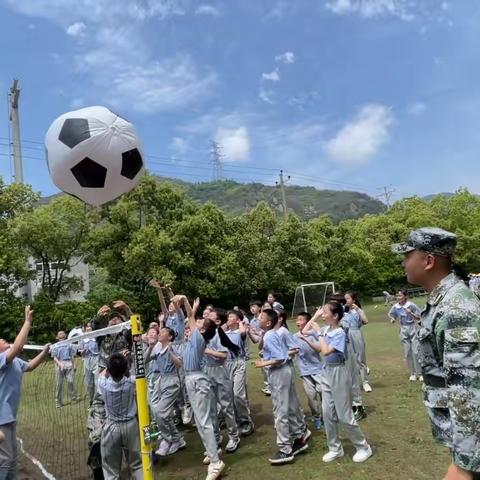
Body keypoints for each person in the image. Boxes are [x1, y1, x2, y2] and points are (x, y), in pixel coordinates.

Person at [392, 227, 480, 480]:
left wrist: (465, 465)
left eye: (408, 255)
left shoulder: (456, 308)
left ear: (428, 261)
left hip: (470, 446)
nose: (403, 263)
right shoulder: (444, 301)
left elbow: (468, 392)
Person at [299, 301, 372, 464]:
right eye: (322, 312)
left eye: (325, 312)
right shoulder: (325, 330)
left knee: (344, 415)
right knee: (327, 414)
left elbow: (325, 351)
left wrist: (319, 334)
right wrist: (315, 316)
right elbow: (304, 331)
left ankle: (363, 447)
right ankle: (335, 448)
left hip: (338, 372)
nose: (322, 315)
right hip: (326, 372)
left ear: (335, 315)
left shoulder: (339, 333)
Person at [171, 295, 226, 480]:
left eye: (200, 321)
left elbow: (190, 317)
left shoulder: (199, 338)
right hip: (191, 380)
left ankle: (216, 461)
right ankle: (212, 454)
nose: (196, 321)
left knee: (204, 422)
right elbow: (181, 363)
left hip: (197, 381)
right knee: (202, 421)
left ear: (202, 329)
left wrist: (186, 301)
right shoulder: (191, 341)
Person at [0, 306, 50, 479]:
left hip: (10, 416)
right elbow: (19, 345)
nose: (4, 340)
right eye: (1, 340)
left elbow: (30, 366)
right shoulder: (1, 359)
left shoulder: (15, 362)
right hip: (1, 418)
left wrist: (44, 352)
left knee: (12, 459)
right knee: (4, 460)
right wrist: (27, 322)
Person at [255, 309, 309, 465]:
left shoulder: (270, 335)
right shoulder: (271, 334)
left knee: (280, 411)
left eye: (261, 317)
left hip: (279, 372)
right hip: (285, 371)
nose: (258, 318)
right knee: (291, 405)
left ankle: (285, 449)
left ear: (268, 323)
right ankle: (299, 439)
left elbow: (279, 358)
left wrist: (263, 363)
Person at [97, 353, 142, 480]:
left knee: (111, 468)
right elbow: (129, 375)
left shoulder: (103, 383)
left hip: (111, 427)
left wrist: (113, 365)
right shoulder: (132, 382)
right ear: (126, 369)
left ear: (109, 371)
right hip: (131, 426)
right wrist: (124, 365)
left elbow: (103, 374)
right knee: (137, 464)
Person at [203, 308, 241, 454]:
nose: (206, 316)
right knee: (211, 408)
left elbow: (223, 355)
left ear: (217, 322)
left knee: (226, 406)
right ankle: (215, 437)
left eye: (210, 316)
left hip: (219, 371)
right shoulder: (204, 334)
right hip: (207, 372)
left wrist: (207, 351)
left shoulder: (218, 334)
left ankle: (233, 436)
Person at [145, 327, 185, 457]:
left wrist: (170, 352)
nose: (159, 334)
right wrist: (150, 347)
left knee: (160, 412)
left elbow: (179, 364)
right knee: (158, 412)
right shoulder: (157, 348)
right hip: (161, 380)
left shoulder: (171, 347)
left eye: (162, 332)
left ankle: (167, 440)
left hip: (171, 380)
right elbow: (145, 360)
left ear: (169, 337)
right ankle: (177, 439)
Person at [224, 310, 255, 436]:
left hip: (238, 362)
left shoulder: (240, 332)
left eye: (231, 317)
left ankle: (246, 421)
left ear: (237, 320)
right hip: (227, 364)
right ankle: (237, 420)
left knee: (238, 394)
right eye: (228, 317)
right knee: (230, 395)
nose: (228, 318)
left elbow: (242, 332)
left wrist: (241, 322)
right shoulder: (224, 333)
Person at [294, 312, 324, 430]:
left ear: (307, 322)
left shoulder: (315, 334)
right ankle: (317, 417)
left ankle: (328, 416)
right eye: (297, 320)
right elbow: (292, 351)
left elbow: (319, 349)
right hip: (304, 371)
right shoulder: (294, 336)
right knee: (311, 397)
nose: (297, 322)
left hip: (318, 369)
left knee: (323, 393)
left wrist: (306, 340)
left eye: (301, 320)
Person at [388, 290, 423, 381]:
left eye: (400, 295)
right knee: (407, 352)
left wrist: (410, 313)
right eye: (397, 296)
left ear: (405, 296)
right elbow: (392, 315)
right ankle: (412, 373)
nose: (398, 297)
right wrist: (392, 319)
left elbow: (419, 317)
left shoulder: (411, 305)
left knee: (415, 351)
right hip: (403, 329)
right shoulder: (396, 307)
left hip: (413, 328)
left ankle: (420, 373)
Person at [344, 292, 372, 393]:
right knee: (349, 361)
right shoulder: (343, 311)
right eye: (345, 299)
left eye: (347, 298)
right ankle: (352, 383)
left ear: (353, 300)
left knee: (360, 359)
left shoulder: (357, 311)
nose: (346, 301)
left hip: (356, 334)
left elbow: (366, 320)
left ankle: (365, 382)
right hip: (345, 337)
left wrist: (357, 309)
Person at [51, 330, 78, 408]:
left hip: (68, 364)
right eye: (59, 333)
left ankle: (73, 399)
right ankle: (58, 402)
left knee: (71, 382)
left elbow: (72, 356)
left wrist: (74, 365)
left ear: (65, 335)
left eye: (62, 333)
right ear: (57, 336)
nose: (61, 333)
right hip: (59, 365)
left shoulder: (69, 344)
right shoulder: (55, 346)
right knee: (59, 384)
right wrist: (59, 364)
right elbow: (54, 358)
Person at [79, 322, 100, 405]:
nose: (89, 328)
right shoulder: (82, 338)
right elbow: (81, 352)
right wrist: (83, 351)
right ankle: (90, 400)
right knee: (88, 383)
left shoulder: (97, 337)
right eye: (87, 326)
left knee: (97, 382)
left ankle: (97, 401)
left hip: (97, 359)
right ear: (85, 328)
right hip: (87, 360)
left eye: (90, 326)